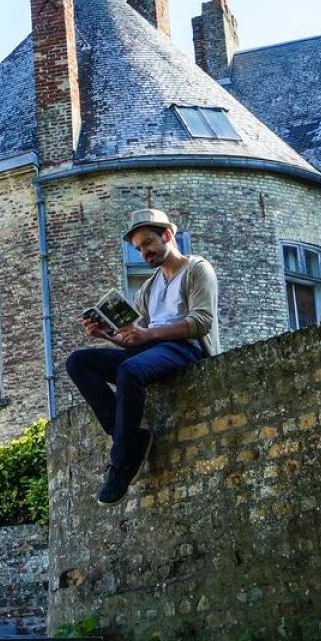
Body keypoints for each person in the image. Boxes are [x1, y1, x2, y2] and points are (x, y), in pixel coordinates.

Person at [66, 208, 220, 505]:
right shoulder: (148, 288)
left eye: (148, 243)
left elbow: (202, 322)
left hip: (187, 348)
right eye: (138, 248)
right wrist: (106, 335)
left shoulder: (197, 269)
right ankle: (129, 437)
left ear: (167, 235)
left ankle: (121, 462)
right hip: (153, 350)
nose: (144, 252)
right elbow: (135, 341)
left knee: (129, 372)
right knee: (78, 362)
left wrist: (148, 335)